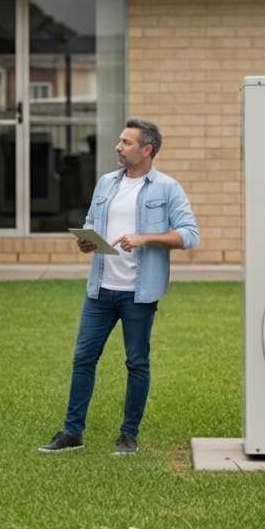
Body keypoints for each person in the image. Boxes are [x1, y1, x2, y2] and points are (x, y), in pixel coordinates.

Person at [39, 118, 199, 455]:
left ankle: (128, 435)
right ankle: (72, 432)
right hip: (100, 290)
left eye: (126, 143)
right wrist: (86, 241)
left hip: (139, 293)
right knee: (83, 359)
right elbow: (90, 224)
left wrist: (146, 238)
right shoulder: (106, 184)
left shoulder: (167, 188)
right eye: (119, 141)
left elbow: (189, 235)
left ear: (146, 149)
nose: (118, 147)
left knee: (136, 363)